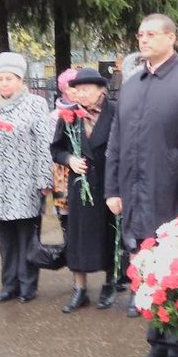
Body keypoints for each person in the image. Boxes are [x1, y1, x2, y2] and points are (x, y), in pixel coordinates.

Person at [105, 13, 178, 357]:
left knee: (175, 271)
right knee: (146, 269)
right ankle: (156, 343)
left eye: (152, 33)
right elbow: (117, 139)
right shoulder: (133, 84)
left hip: (173, 190)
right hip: (134, 190)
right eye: (141, 34)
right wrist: (112, 188)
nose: (144, 39)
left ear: (172, 38)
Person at [0, 52, 53, 304]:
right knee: (5, 237)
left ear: (20, 80)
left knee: (27, 235)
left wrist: (44, 179)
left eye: (9, 78)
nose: (4, 83)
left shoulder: (35, 104)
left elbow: (44, 144)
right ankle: (9, 284)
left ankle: (28, 284)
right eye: (0, 79)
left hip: (26, 179)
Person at [51, 67, 116, 312]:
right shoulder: (69, 115)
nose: (81, 94)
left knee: (109, 233)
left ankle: (110, 283)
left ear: (101, 91)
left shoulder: (115, 112)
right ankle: (80, 289)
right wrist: (70, 160)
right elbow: (56, 149)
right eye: (77, 90)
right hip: (80, 186)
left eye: (86, 89)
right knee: (78, 237)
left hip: (108, 183)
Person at [50, 67, 80, 234]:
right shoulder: (55, 116)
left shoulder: (87, 112)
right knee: (66, 216)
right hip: (62, 172)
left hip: (82, 169)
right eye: (70, 87)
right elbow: (53, 146)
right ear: (63, 90)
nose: (74, 90)